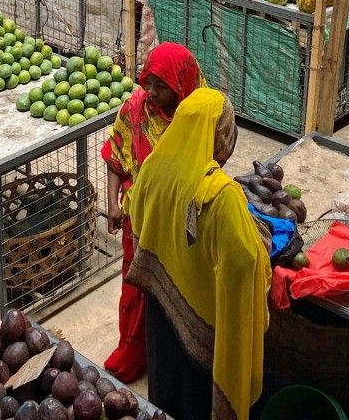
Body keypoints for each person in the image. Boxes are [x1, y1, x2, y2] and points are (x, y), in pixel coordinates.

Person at [126, 88, 270, 420]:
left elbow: (139, 216)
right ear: (221, 136)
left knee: (165, 388)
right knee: (194, 401)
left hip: (160, 309)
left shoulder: (151, 168)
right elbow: (244, 262)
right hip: (202, 329)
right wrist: (258, 240)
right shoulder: (221, 196)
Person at [100, 42, 205, 383]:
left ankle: (169, 359)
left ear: (182, 84)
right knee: (136, 290)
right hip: (138, 223)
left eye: (162, 85)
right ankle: (132, 355)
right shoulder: (134, 110)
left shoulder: (199, 118)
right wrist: (114, 204)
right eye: (149, 81)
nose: (151, 91)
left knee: (175, 297)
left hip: (179, 226)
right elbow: (116, 157)